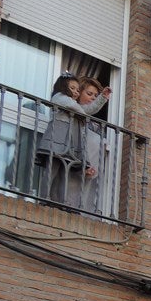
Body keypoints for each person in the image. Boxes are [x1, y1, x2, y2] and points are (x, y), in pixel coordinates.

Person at [36, 72, 110, 207]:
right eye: (89, 93)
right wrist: (84, 115)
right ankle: (44, 199)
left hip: (68, 148)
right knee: (52, 171)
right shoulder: (61, 98)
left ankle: (61, 203)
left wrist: (102, 98)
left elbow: (87, 109)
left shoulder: (78, 111)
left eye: (95, 95)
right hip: (56, 141)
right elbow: (78, 109)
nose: (75, 91)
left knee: (63, 172)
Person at [73, 77, 107, 216]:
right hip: (74, 170)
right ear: (78, 93)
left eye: (95, 96)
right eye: (89, 93)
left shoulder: (97, 125)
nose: (93, 98)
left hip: (90, 174)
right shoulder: (73, 114)